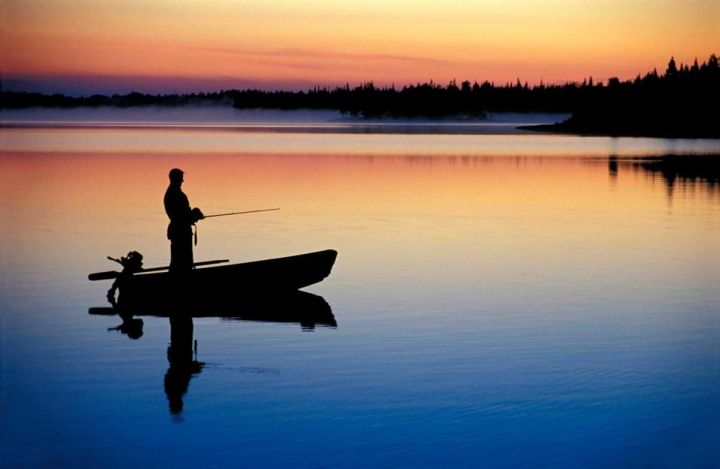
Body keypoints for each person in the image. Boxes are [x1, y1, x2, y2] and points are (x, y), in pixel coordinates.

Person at [164, 168, 204, 272]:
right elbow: (181, 215)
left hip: (179, 230)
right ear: (175, 179)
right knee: (181, 262)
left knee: (180, 261)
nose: (182, 181)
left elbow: (183, 214)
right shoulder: (175, 194)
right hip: (180, 232)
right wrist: (194, 215)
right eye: (181, 179)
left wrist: (193, 214)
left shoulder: (173, 193)